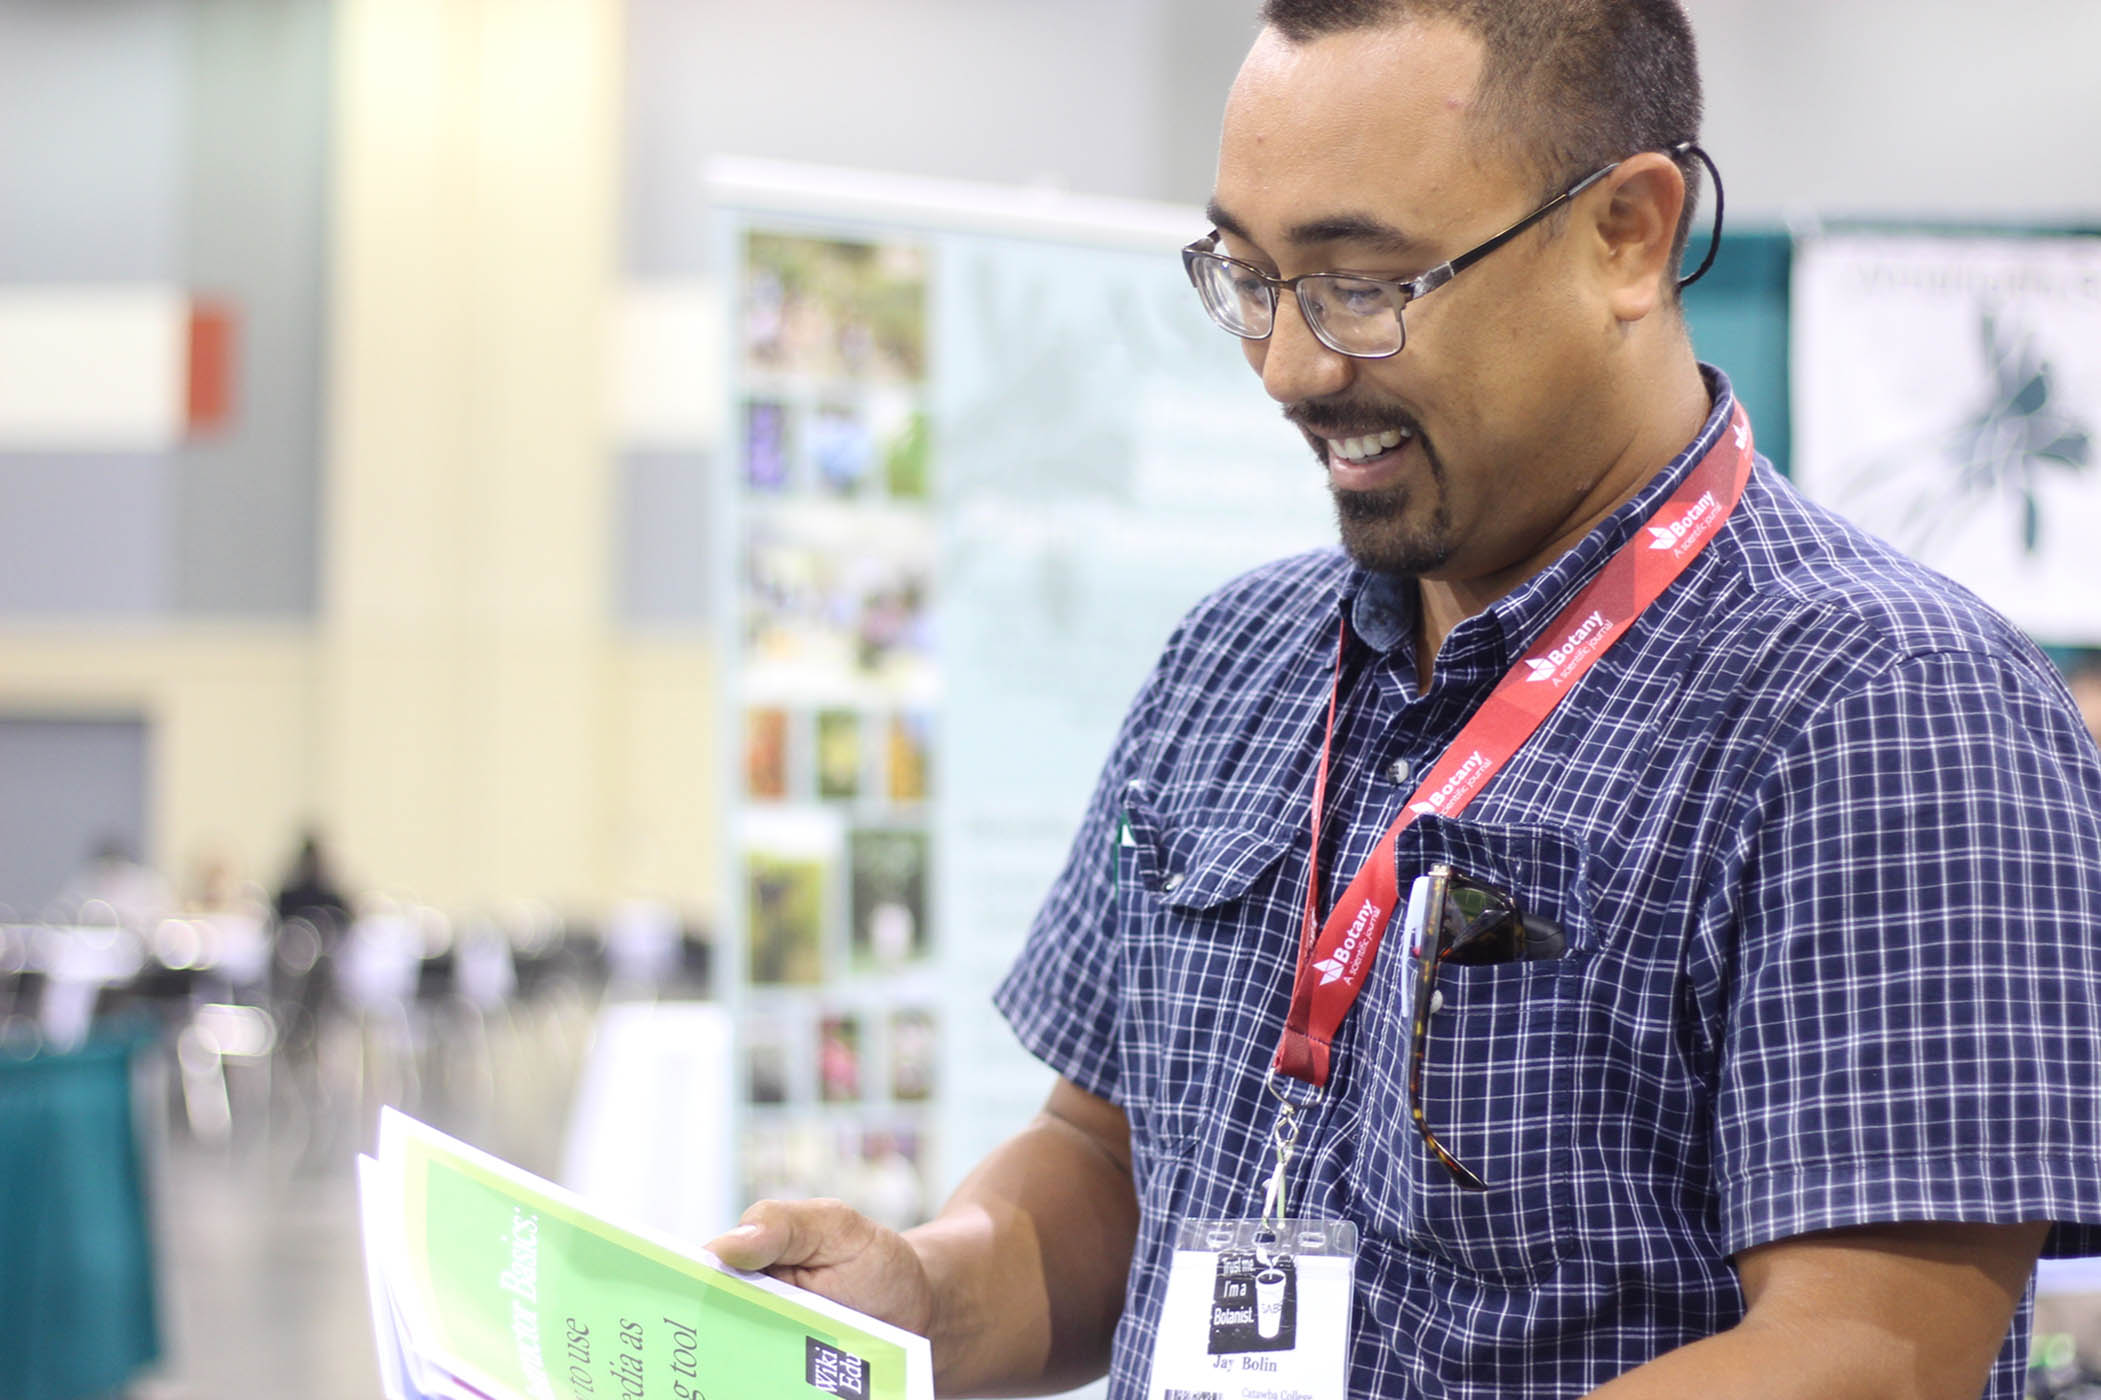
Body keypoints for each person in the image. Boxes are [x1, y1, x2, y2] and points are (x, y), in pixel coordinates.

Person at [711, 2, 2101, 1396]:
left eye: (1362, 285)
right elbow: (1106, 1163)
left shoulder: (1887, 711)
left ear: (1626, 230)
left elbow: (1864, 1359)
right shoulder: (1230, 663)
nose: (1291, 368)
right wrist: (928, 1300)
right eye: (1247, 278)